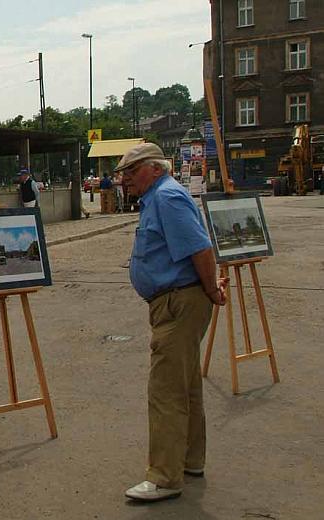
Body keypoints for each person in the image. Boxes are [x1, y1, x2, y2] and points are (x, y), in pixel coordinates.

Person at [116, 143, 228, 502]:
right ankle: (190, 460)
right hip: (176, 300)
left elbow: (200, 248)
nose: (126, 180)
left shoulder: (167, 198)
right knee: (186, 386)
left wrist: (211, 289)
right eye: (124, 174)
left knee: (165, 391)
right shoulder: (158, 197)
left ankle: (165, 477)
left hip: (179, 302)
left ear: (154, 169)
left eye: (132, 172)